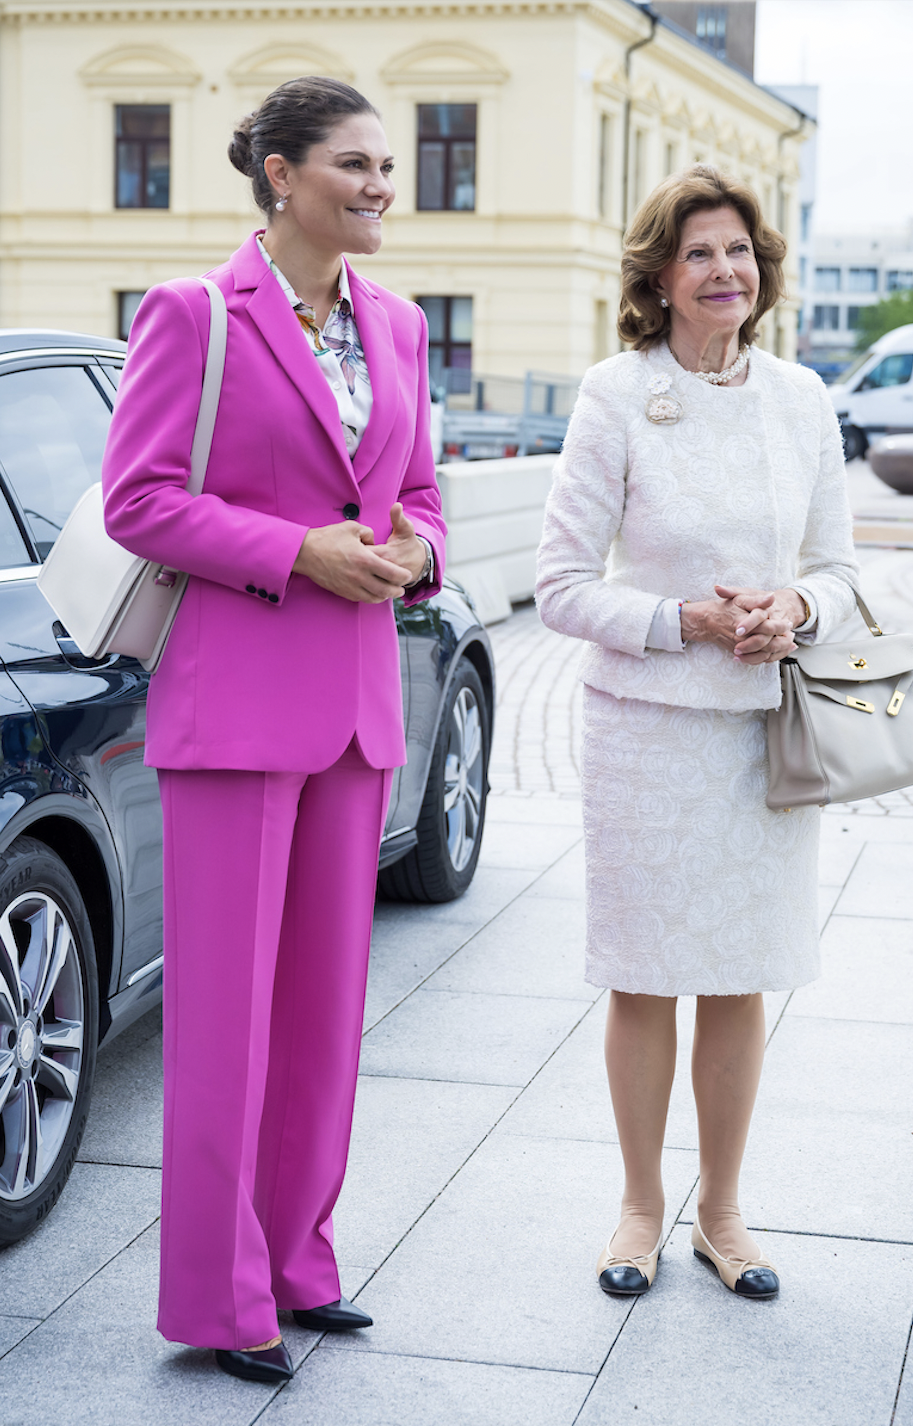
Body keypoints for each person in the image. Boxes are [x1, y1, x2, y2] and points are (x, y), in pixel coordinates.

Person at [102, 77, 446, 1383]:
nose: (378, 187)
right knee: (224, 1023)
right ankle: (215, 1290)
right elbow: (136, 498)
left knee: (321, 1012)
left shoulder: (401, 327)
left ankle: (298, 1254)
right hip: (235, 705)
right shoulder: (194, 314)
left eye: (387, 168)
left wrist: (412, 551)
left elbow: (419, 490)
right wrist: (294, 550)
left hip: (356, 706)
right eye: (353, 165)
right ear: (280, 175)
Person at [536, 166, 858, 1302]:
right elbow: (559, 586)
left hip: (759, 737)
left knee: (738, 977)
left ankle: (722, 1213)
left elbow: (837, 571)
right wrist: (679, 620)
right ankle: (637, 1204)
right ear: (659, 279)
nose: (725, 272)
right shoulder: (614, 394)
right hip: (645, 733)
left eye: (738, 252)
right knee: (642, 976)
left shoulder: (800, 398)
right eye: (698, 255)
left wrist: (792, 610)